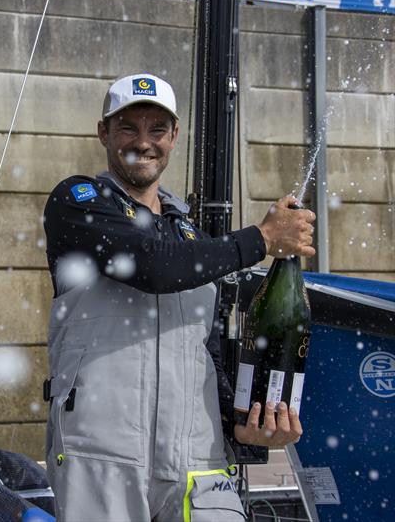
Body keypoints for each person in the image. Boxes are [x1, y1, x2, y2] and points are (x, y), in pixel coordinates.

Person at [42, 73, 314, 522]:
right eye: (128, 127)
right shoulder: (77, 200)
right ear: (103, 133)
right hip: (101, 455)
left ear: (174, 137)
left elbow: (203, 349)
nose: (143, 142)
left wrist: (242, 424)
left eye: (157, 129)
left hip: (197, 458)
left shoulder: (191, 236)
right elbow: (151, 265)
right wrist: (261, 240)